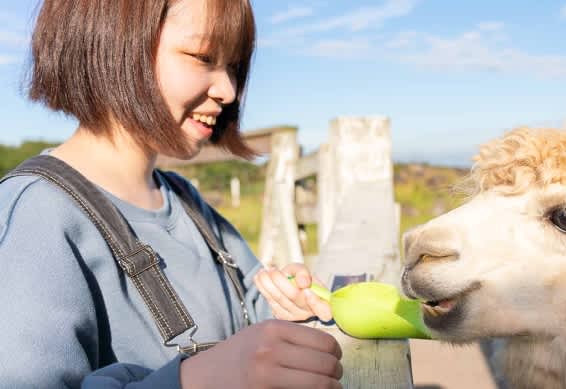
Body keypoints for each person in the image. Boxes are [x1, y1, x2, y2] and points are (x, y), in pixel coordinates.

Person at [0, 0, 342, 388]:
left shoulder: (185, 200)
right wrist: (194, 380)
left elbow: (248, 311)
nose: (228, 90)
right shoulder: (36, 215)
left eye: (233, 66)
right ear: (112, 44)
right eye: (202, 57)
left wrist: (287, 307)